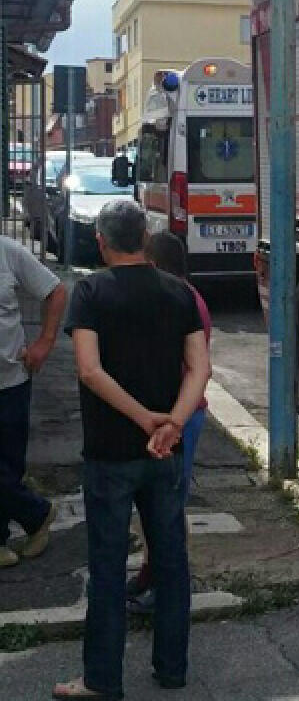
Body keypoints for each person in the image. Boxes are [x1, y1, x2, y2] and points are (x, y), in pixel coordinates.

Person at [54, 202, 210, 700]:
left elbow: (89, 371)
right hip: (164, 452)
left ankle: (101, 679)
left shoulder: (91, 293)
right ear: (145, 236)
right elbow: (200, 369)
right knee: (170, 560)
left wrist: (144, 418)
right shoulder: (179, 292)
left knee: (107, 566)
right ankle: (173, 668)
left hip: (110, 453)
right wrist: (172, 424)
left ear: (101, 242)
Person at [126, 231, 210, 614]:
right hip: (177, 415)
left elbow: (192, 368)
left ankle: (167, 586)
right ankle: (152, 571)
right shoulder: (187, 298)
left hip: (176, 417)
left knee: (168, 507)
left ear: (154, 265)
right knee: (158, 504)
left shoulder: (178, 302)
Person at [0, 234, 67, 568]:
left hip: (9, 381)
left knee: (7, 468)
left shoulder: (8, 252)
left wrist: (45, 341)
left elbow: (55, 291)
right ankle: (33, 516)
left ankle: (35, 517)